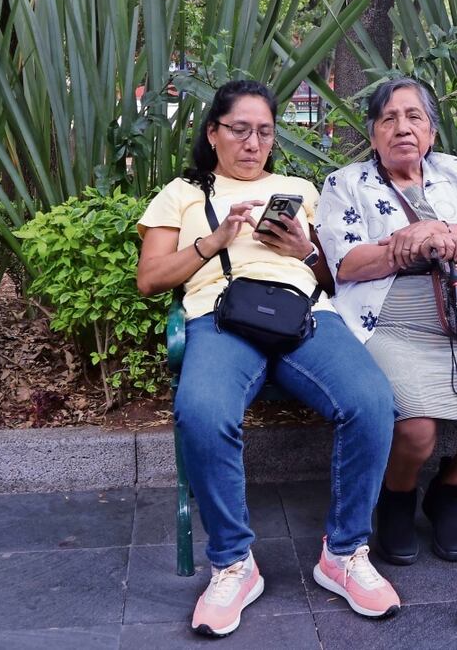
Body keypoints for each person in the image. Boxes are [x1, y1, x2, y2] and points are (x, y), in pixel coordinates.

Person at [136, 80, 401, 639]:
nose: (252, 143)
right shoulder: (181, 193)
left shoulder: (299, 188)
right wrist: (215, 240)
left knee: (373, 402)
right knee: (203, 412)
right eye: (239, 130)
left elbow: (335, 274)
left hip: (304, 314)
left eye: (263, 131)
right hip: (221, 316)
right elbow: (150, 279)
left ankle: (345, 553)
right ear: (213, 134)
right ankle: (234, 563)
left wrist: (302, 249)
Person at [316, 77, 457, 566]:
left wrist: (441, 231)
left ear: (431, 132)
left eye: (414, 117)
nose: (402, 128)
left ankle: (449, 490)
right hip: (389, 322)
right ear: (373, 135)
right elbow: (345, 263)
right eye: (388, 119)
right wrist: (408, 242)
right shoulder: (346, 183)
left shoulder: (455, 173)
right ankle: (397, 495)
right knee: (416, 428)